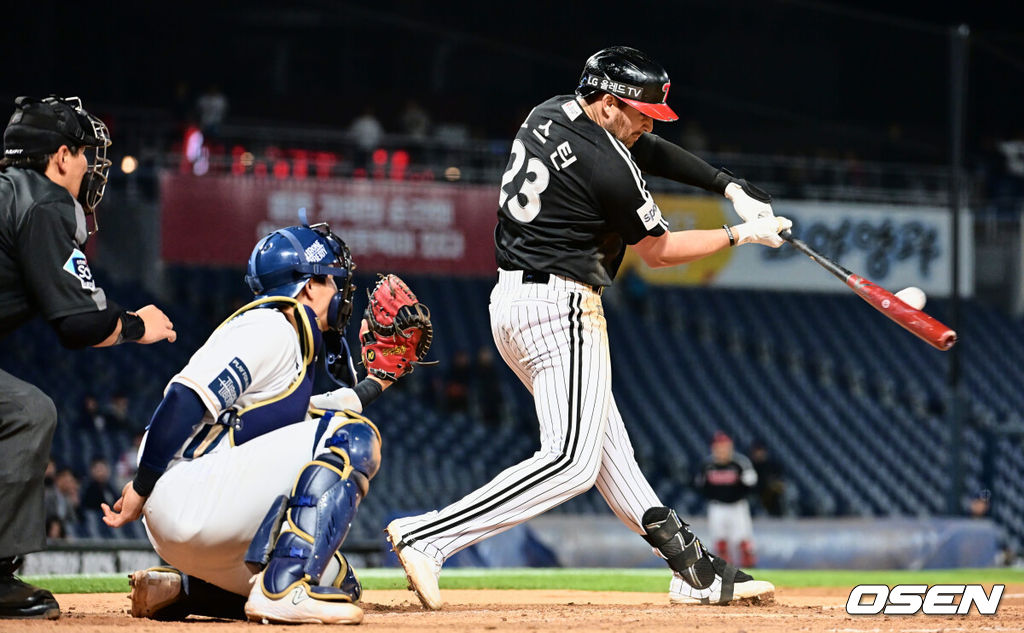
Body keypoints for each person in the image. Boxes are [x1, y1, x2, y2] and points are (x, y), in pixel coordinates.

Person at [386, 46, 789, 609]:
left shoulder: (550, 112)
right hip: (563, 309)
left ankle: (692, 568)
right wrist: (742, 234)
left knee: (610, 456)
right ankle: (429, 537)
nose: (648, 121)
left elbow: (644, 146)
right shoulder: (609, 166)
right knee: (571, 463)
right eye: (638, 109)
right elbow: (660, 251)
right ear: (604, 102)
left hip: (512, 305)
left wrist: (727, 186)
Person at [104, 220, 433, 624]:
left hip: (199, 509)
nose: (340, 290)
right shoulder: (269, 327)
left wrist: (376, 382)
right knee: (354, 438)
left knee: (338, 582)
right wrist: (143, 484)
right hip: (190, 497)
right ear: (309, 286)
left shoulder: (289, 335)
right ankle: (284, 590)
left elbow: (311, 414)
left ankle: (184, 591)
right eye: (332, 279)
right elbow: (183, 397)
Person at [0, 95, 176, 620]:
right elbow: (78, 323)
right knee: (26, 412)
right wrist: (140, 325)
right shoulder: (46, 200)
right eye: (82, 154)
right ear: (59, 158)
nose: (87, 168)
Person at [695, 432, 758, 567]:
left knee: (743, 542)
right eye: (719, 447)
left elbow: (751, 484)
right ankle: (724, 571)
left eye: (725, 447)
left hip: (738, 506)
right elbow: (700, 485)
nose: (722, 450)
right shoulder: (707, 465)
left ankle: (749, 570)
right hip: (717, 507)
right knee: (720, 542)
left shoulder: (740, 463)